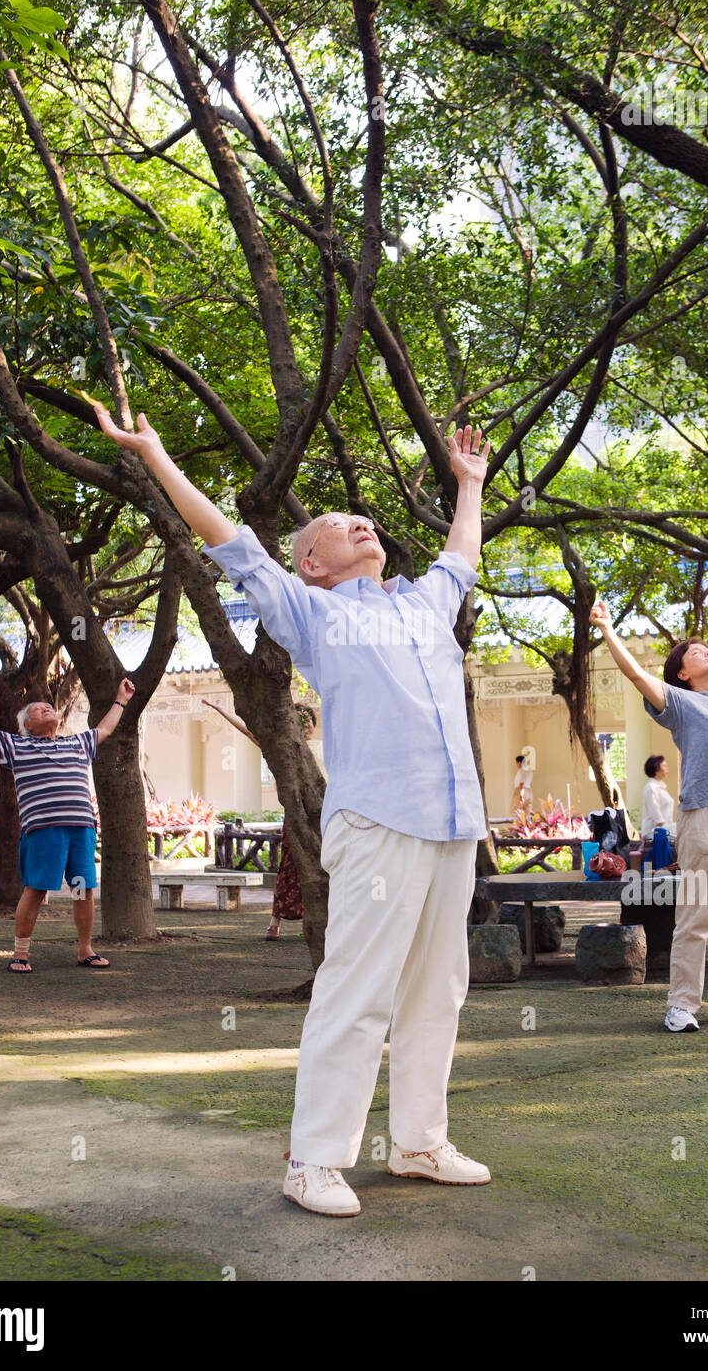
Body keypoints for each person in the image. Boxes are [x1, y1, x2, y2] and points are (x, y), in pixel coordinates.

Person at [93, 403, 492, 1218]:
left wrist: (469, 484)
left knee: (438, 989)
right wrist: (157, 455)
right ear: (309, 565)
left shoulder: (424, 604)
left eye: (365, 520)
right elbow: (230, 545)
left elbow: (461, 553)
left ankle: (417, 1141)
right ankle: (312, 1159)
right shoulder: (315, 613)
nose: (361, 526)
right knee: (356, 989)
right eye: (340, 526)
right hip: (379, 821)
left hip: (453, 821)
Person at [589, 601, 708, 1034]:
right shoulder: (678, 702)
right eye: (697, 653)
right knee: (699, 912)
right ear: (682, 674)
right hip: (703, 813)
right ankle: (681, 1005)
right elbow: (638, 676)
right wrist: (606, 629)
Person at [0, 671, 135, 973]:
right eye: (37, 709)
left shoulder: (78, 743)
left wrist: (121, 699)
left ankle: (85, 950)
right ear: (27, 725)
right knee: (36, 889)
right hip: (44, 832)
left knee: (81, 888)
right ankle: (20, 954)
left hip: (81, 828)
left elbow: (105, 729)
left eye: (48, 707)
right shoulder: (17, 747)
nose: (45, 708)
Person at [210, 699, 322, 939]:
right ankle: (275, 922)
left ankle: (321, 920)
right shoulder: (280, 750)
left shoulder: (322, 749)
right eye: (303, 720)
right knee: (288, 867)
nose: (308, 725)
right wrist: (223, 712)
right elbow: (249, 731)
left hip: (321, 814)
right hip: (295, 816)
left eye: (311, 720)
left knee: (324, 867)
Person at [641, 754, 676, 845]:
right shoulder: (651, 788)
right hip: (654, 833)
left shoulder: (661, 787)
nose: (667, 768)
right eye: (664, 766)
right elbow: (657, 817)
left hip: (664, 830)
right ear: (656, 769)